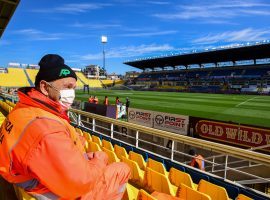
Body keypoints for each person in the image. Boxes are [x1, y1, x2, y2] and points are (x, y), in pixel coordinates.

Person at [0, 54, 130, 199]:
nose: (72, 93)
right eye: (67, 87)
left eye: (74, 88)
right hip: (49, 188)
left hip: (29, 178)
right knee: (122, 169)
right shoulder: (47, 128)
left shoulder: (23, 108)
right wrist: (100, 159)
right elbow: (80, 183)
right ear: (44, 87)